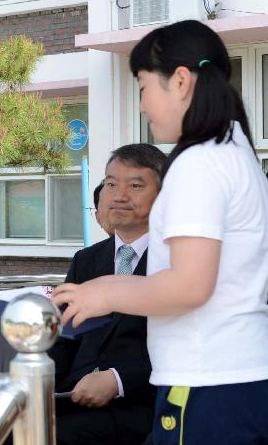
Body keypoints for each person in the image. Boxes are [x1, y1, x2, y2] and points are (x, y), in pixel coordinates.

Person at [54, 20, 268, 445]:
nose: (142, 105)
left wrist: (102, 292)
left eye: (144, 87)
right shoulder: (234, 151)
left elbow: (188, 286)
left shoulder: (198, 163)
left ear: (179, 81)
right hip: (237, 375)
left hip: (209, 379)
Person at [49, 143, 165, 445]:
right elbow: (64, 336)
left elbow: (185, 345)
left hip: (139, 404)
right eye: (112, 184)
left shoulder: (177, 262)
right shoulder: (86, 259)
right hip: (70, 397)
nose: (119, 195)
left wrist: (117, 380)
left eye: (135, 185)